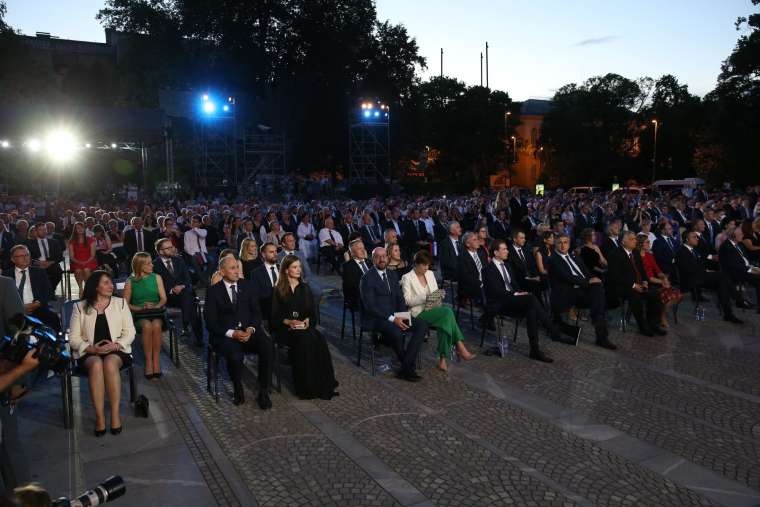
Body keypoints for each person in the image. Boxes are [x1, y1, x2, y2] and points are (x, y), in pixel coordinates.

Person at [69, 271, 135, 436]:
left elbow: (130, 332)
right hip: (90, 352)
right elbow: (73, 338)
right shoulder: (80, 307)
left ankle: (114, 414)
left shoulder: (120, 303)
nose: (111, 285)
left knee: (110, 363)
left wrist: (116, 345)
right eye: (106, 283)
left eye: (111, 282)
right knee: (97, 364)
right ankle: (99, 417)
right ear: (95, 287)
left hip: (117, 350)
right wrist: (92, 349)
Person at [204, 256, 274, 408]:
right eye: (232, 268)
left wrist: (251, 329)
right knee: (235, 355)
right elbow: (210, 322)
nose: (237, 271)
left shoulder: (248, 286)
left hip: (249, 332)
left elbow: (256, 313)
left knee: (267, 346)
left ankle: (263, 390)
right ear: (222, 272)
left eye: (237, 267)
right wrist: (232, 333)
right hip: (227, 336)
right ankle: (238, 388)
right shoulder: (213, 291)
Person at [484, 240, 569, 361]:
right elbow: (496, 292)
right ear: (496, 253)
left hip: (513, 300)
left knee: (531, 310)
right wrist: (516, 294)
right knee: (530, 299)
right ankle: (554, 332)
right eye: (504, 249)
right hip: (500, 304)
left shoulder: (507, 265)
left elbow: (515, 284)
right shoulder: (488, 269)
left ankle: (535, 350)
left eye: (507, 249)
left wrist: (519, 292)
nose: (507, 251)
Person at [271, 255, 339, 399]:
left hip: (303, 326)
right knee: (303, 339)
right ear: (286, 270)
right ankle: (305, 387)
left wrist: (307, 320)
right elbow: (274, 316)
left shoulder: (305, 288)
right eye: (295, 267)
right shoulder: (278, 290)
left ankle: (320, 382)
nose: (298, 270)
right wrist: (289, 322)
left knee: (319, 338)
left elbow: (310, 313)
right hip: (285, 328)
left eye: (299, 267)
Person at [360, 247, 428, 382]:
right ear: (373, 259)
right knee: (396, 332)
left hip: (396, 315)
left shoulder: (392, 275)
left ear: (387, 257)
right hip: (378, 318)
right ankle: (407, 368)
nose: (381, 259)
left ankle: (406, 365)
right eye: (378, 257)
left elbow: (399, 299)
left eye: (384, 256)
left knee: (422, 325)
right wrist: (393, 319)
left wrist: (402, 315)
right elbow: (371, 307)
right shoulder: (367, 278)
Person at [401, 251, 475, 371]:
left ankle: (443, 359)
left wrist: (438, 296)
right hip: (418, 313)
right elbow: (407, 301)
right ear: (416, 264)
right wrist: (426, 297)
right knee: (447, 313)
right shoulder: (407, 277)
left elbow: (435, 292)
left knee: (445, 320)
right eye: (424, 265)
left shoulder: (430, 274)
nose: (426, 268)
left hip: (433, 308)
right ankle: (458, 347)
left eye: (428, 265)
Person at [546, 234, 615, 349]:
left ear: (569, 244)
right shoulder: (553, 259)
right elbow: (567, 277)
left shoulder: (574, 256)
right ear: (555, 244)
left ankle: (600, 332)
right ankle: (601, 335)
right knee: (598, 295)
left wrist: (592, 279)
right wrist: (588, 282)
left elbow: (586, 272)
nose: (563, 245)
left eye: (565, 242)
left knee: (597, 290)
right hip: (567, 293)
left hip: (582, 291)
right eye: (560, 243)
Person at [607, 231, 666, 337]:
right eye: (632, 239)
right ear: (623, 242)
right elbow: (616, 277)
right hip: (621, 286)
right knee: (635, 296)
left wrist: (645, 281)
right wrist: (633, 285)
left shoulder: (635, 253)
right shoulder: (615, 254)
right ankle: (643, 327)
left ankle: (653, 324)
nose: (635, 241)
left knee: (655, 295)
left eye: (635, 238)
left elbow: (642, 271)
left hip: (638, 284)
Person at [676, 231, 742, 324]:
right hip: (691, 280)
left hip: (700, 276)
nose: (697, 239)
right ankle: (737, 299)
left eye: (697, 237)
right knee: (722, 277)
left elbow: (702, 263)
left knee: (722, 282)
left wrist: (717, 262)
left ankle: (729, 313)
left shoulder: (693, 250)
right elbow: (688, 269)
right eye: (694, 237)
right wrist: (705, 271)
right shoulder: (681, 252)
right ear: (687, 239)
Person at [123, 252, 167, 379]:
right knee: (147, 326)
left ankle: (156, 361)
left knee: (157, 325)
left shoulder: (157, 277)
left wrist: (155, 306)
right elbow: (125, 304)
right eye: (148, 264)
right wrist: (140, 308)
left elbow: (163, 299)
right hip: (139, 314)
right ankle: (148, 362)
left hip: (156, 311)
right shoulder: (130, 281)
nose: (152, 265)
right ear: (140, 266)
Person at [153, 238, 204, 346]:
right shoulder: (154, 265)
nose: (172, 249)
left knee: (188, 301)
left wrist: (182, 286)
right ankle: (192, 333)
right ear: (161, 251)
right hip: (170, 297)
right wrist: (172, 289)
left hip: (185, 293)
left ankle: (186, 327)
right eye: (168, 248)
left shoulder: (179, 260)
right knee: (192, 309)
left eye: (172, 247)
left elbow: (188, 279)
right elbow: (157, 285)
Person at [3, 245, 59, 331]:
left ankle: (53, 343)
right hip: (15, 310)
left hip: (37, 307)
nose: (25, 258)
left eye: (27, 255)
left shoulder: (39, 272)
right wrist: (20, 307)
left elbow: (49, 292)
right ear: (13, 259)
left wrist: (37, 303)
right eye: (21, 256)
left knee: (53, 317)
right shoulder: (6, 275)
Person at [637, 233, 682, 328]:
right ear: (641, 244)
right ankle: (661, 317)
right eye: (647, 242)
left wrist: (664, 278)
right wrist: (662, 282)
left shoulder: (649, 255)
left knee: (678, 295)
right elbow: (647, 277)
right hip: (646, 282)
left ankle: (662, 314)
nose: (650, 244)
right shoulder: (638, 257)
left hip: (656, 281)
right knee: (668, 294)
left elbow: (658, 271)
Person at [718, 226, 760, 312]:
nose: (743, 235)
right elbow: (735, 265)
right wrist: (751, 270)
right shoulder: (727, 246)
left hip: (744, 268)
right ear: (733, 236)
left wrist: (754, 267)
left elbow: (746, 260)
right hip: (734, 272)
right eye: (740, 234)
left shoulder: (739, 244)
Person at [26, 221, 63, 294]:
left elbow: (60, 256)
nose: (44, 231)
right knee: (35, 273)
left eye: (45, 229)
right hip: (36, 265)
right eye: (41, 230)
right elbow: (27, 257)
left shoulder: (54, 242)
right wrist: (37, 262)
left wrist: (50, 262)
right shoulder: (29, 243)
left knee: (58, 272)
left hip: (51, 264)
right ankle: (41, 292)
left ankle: (51, 291)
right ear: (36, 231)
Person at [251, 242, 279, 324]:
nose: (275, 254)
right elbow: (256, 297)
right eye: (271, 252)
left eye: (276, 251)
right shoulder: (256, 273)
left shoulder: (283, 269)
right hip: (268, 312)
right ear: (263, 254)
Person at [68, 222, 97, 296]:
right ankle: (81, 289)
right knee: (77, 270)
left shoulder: (91, 240)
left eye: (82, 228)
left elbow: (92, 255)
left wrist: (86, 261)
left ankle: (88, 288)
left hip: (89, 260)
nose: (80, 229)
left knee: (86, 270)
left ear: (84, 229)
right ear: (75, 230)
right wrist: (79, 262)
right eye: (78, 228)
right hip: (76, 261)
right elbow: (71, 256)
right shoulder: (71, 241)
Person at [184, 215, 210, 285]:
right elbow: (186, 247)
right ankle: (205, 282)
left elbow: (202, 235)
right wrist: (193, 254)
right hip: (192, 254)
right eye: (192, 221)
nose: (193, 223)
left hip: (203, 253)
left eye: (195, 222)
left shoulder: (203, 231)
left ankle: (202, 280)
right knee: (194, 260)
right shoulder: (187, 233)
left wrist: (194, 228)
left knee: (212, 261)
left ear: (200, 223)